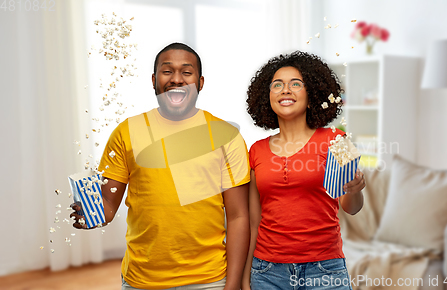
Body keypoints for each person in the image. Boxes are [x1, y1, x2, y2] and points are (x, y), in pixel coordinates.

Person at [70, 43, 250, 290]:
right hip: (142, 279)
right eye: (167, 71)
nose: (176, 79)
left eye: (187, 72)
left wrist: (233, 284)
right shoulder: (126, 132)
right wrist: (92, 214)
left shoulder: (226, 136)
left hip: (209, 279)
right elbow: (109, 204)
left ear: (200, 82)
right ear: (154, 79)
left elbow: (239, 215)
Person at [242, 51, 366, 290]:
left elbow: (352, 208)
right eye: (277, 85)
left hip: (325, 270)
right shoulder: (255, 151)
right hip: (267, 273)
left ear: (311, 97)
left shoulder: (337, 140)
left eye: (295, 84)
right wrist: (246, 277)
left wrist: (355, 189)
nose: (285, 90)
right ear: (267, 97)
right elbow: (254, 222)